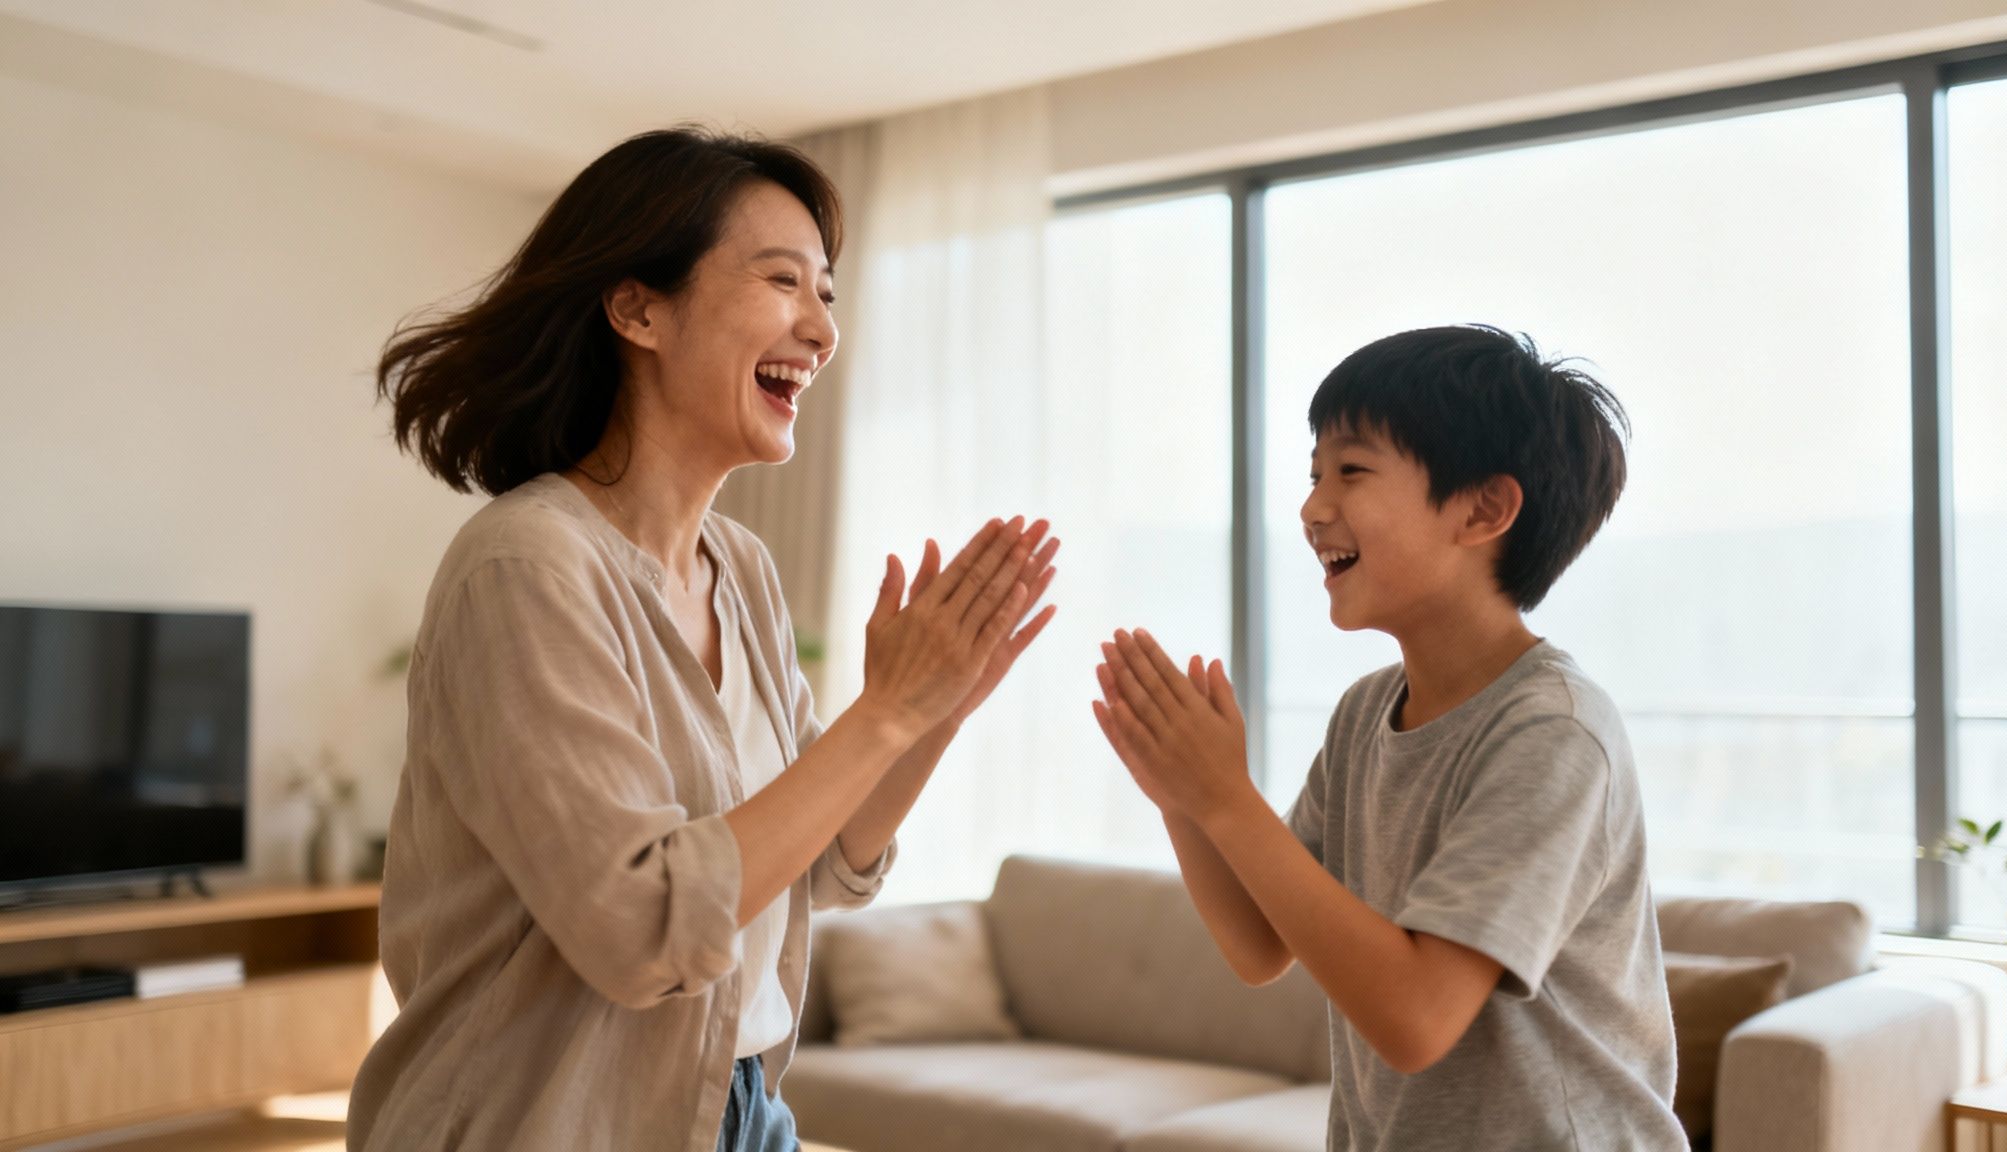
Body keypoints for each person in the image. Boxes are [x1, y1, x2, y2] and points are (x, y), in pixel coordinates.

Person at [345, 126, 1057, 1152]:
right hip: (540, 1124)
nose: (819, 330)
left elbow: (822, 866)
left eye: (827, 294)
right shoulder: (526, 566)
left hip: (734, 1108)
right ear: (637, 306)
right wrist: (885, 709)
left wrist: (927, 715)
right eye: (783, 282)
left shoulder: (745, 571)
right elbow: (640, 928)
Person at [1091, 325, 1686, 1151]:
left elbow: (1415, 1019)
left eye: (1352, 472)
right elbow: (1259, 945)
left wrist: (1227, 798)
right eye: (1313, 474)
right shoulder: (1366, 713)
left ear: (1483, 509)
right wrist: (1182, 798)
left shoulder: (1552, 732)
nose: (1311, 508)